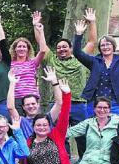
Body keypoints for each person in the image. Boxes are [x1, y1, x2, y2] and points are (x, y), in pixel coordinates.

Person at [38, 8, 97, 154]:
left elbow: (92, 41)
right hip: (58, 103)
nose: (61, 49)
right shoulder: (52, 59)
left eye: (65, 47)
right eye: (59, 47)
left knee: (82, 136)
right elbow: (43, 47)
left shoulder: (80, 58)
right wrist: (38, 28)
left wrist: (92, 22)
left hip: (78, 103)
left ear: (71, 48)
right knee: (59, 136)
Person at [8, 12, 48, 114]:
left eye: (24, 47)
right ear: (15, 49)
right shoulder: (10, 64)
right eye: (19, 46)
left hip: (31, 99)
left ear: (28, 49)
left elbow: (43, 50)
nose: (21, 49)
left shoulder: (32, 63)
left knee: (34, 124)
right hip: (16, 99)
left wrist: (39, 29)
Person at [7, 67, 63, 139]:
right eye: (27, 104)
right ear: (23, 107)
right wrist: (12, 83)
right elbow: (10, 107)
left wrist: (54, 81)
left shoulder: (47, 118)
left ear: (38, 104)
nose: (31, 106)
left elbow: (59, 103)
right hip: (27, 149)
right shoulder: (21, 121)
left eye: (33, 103)